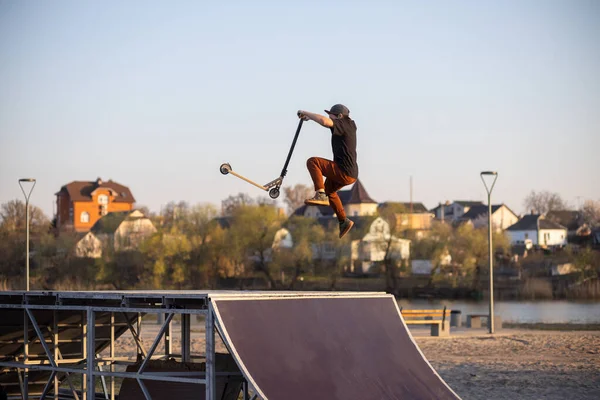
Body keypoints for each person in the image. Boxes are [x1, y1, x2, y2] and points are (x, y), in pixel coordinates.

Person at [297, 104, 358, 239]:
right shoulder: (348, 126)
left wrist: (305, 111)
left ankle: (320, 194)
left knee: (313, 162)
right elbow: (325, 120)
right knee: (330, 191)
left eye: (331, 115)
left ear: (339, 116)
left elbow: (324, 121)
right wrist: (309, 117)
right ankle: (343, 221)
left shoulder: (344, 124)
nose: (329, 117)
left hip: (343, 171)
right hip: (350, 174)